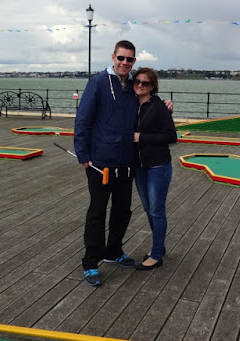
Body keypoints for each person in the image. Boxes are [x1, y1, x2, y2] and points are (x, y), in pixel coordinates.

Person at [74, 40, 139, 286]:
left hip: (125, 162)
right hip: (99, 163)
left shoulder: (134, 85)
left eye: (129, 59)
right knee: (97, 213)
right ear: (113, 57)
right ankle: (91, 261)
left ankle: (113, 251)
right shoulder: (98, 83)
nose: (124, 63)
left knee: (123, 211)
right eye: (121, 58)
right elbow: (83, 121)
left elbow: (147, 104)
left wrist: (166, 106)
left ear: (134, 61)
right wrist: (83, 156)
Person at [132, 68, 177, 270]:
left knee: (157, 210)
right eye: (138, 81)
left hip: (158, 166)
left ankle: (157, 255)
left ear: (153, 87)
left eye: (146, 83)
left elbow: (171, 136)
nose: (141, 85)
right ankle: (159, 246)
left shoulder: (158, 107)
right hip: (139, 166)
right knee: (148, 209)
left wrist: (141, 137)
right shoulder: (130, 104)